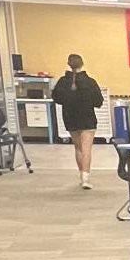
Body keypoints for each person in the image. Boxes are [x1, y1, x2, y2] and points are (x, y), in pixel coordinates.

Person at [50, 54, 103, 189]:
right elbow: (98, 101)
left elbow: (57, 98)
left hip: (70, 117)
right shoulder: (90, 82)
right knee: (86, 149)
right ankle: (86, 178)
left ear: (69, 64)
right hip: (87, 118)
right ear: (82, 64)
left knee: (78, 148)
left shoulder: (63, 82)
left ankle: (81, 175)